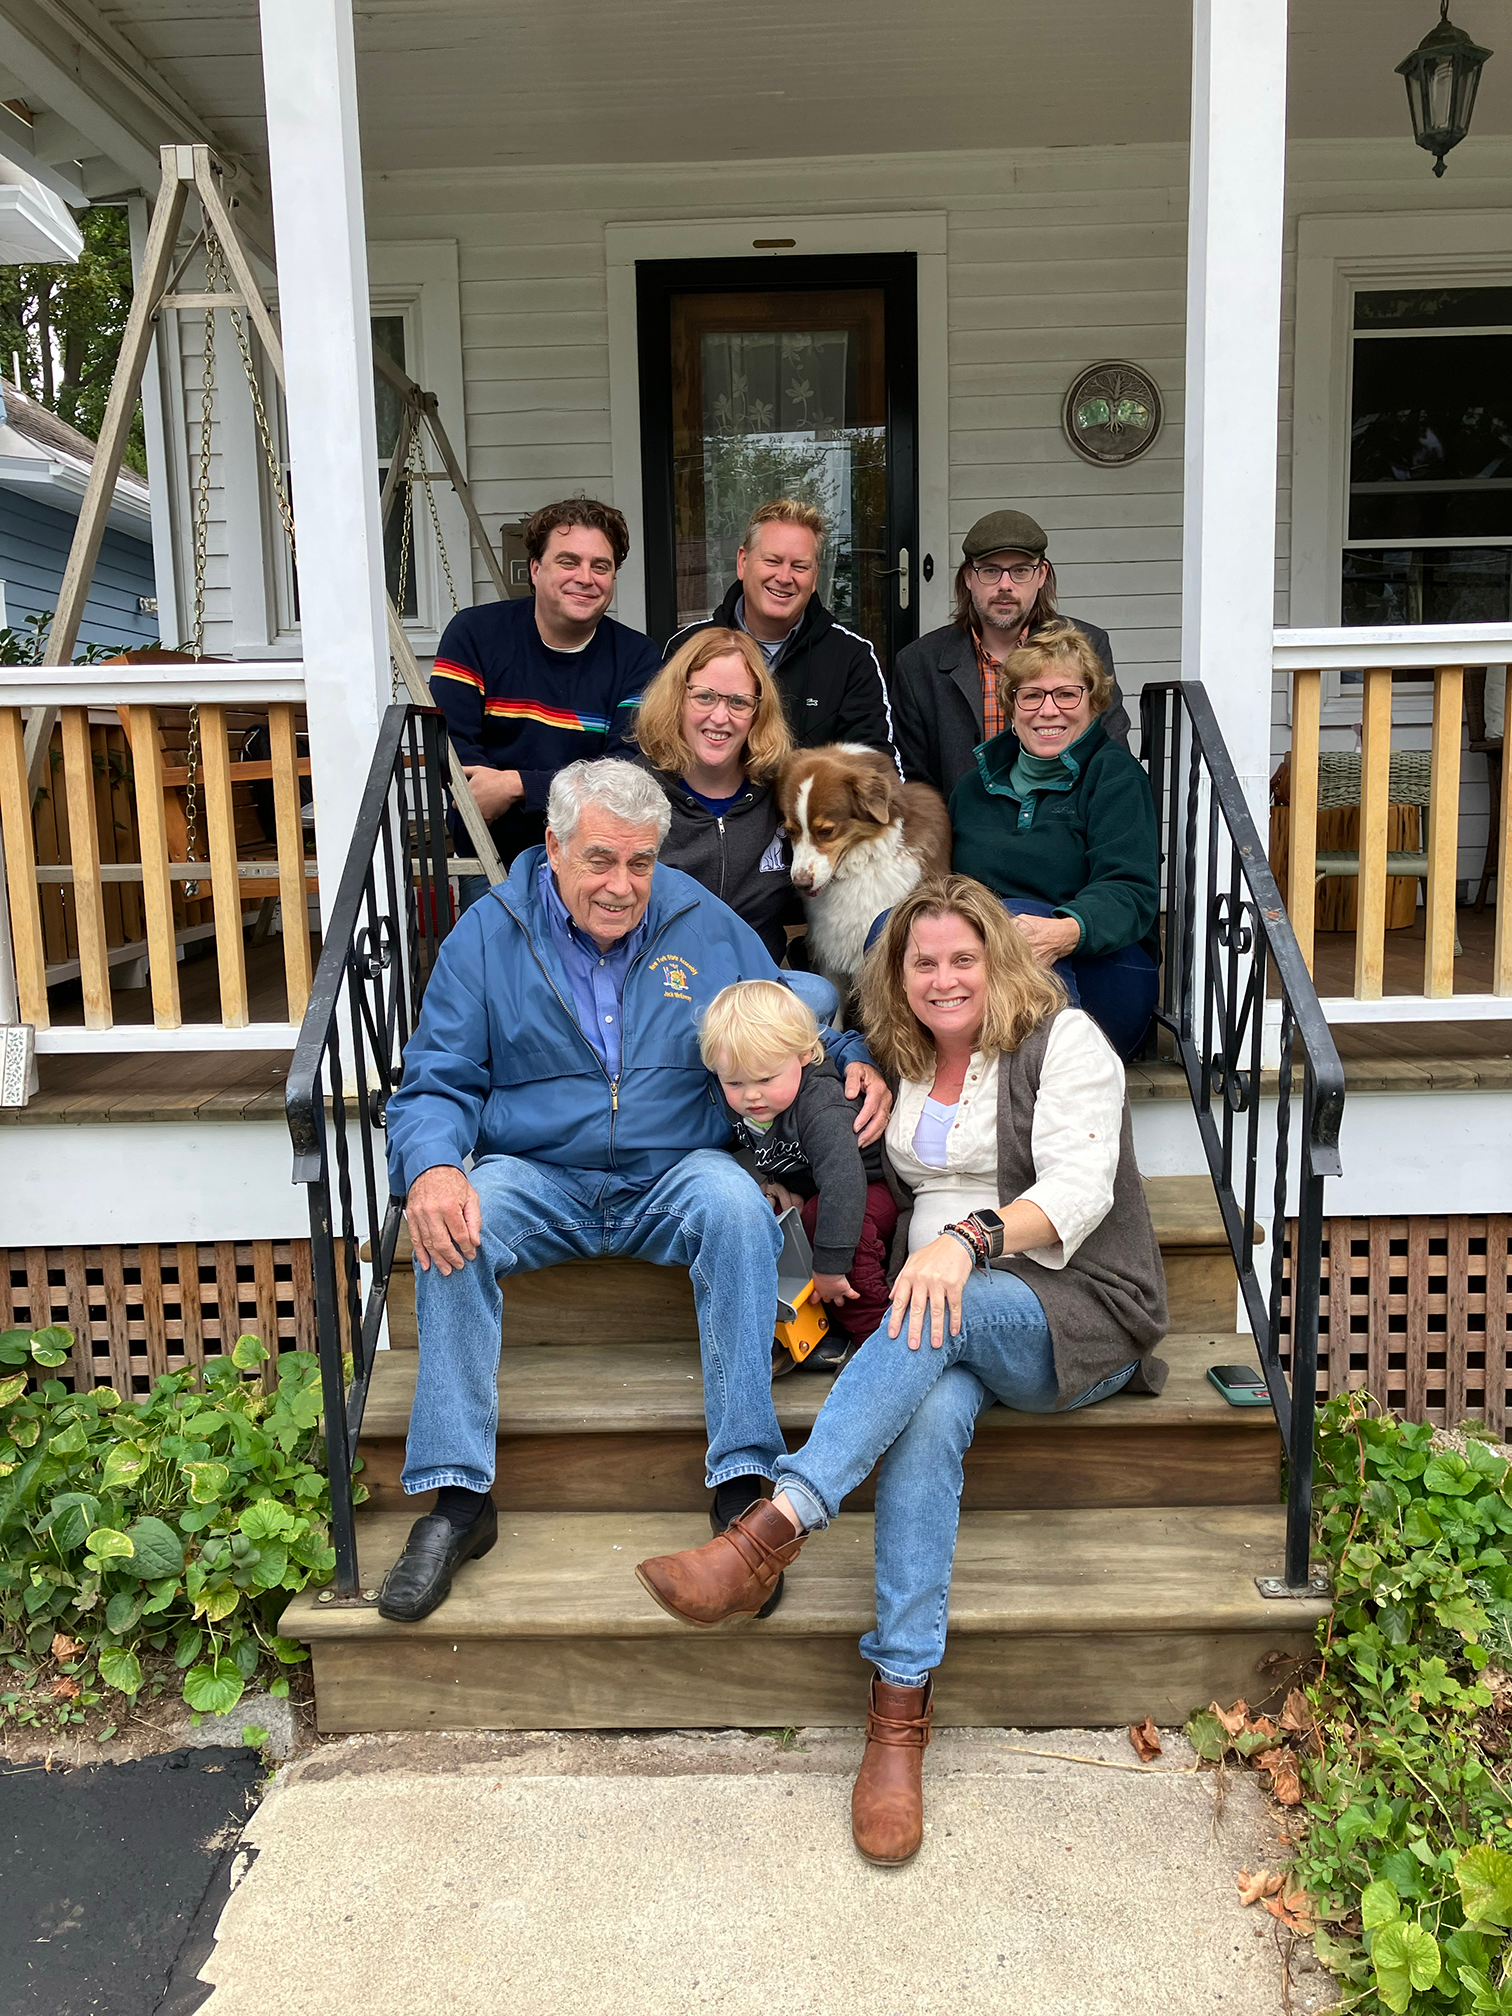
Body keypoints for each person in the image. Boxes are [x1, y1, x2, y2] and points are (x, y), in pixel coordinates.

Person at [635, 877, 1168, 1866]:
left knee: (941, 1304)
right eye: (922, 961)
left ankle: (775, 1524)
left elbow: (1082, 1193)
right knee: (923, 1417)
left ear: (998, 962)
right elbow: (802, 1063)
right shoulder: (901, 1061)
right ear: (898, 974)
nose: (943, 976)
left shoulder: (1067, 1045)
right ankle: (896, 1718)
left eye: (963, 957)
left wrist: (968, 1238)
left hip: (1075, 1314)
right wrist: (838, 1087)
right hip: (942, 1324)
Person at [377, 758, 892, 1626]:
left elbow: (777, 1015)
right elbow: (436, 1081)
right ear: (552, 847)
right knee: (453, 1221)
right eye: (600, 861)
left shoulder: (700, 919)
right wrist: (431, 1166)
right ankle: (459, 1501)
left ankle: (742, 1485)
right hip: (536, 1173)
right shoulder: (489, 932)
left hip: (670, 1169)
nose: (623, 886)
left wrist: (854, 1060)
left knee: (735, 1206)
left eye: (641, 863)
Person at [948, 620, 1159, 1061]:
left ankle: (1063, 1091)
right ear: (1012, 704)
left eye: (1066, 694)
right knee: (892, 926)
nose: (1049, 710)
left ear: (1094, 702)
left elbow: (1130, 891)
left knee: (1018, 918)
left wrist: (1064, 930)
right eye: (1032, 695)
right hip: (990, 965)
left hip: (1099, 967)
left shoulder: (1114, 777)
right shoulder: (971, 790)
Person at [429, 497, 660, 879]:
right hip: (490, 860)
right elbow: (450, 747)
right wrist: (499, 790)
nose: (585, 577)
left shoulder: (638, 658)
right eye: (568, 561)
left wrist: (515, 786)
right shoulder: (474, 635)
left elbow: (622, 775)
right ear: (535, 569)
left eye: (600, 566)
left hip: (593, 863)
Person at [701, 980, 898, 1375]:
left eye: (765, 1079)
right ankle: (805, 1332)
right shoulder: (745, 1102)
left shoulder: (821, 1105)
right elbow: (749, 1151)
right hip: (813, 1191)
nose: (751, 1096)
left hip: (870, 1187)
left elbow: (844, 1181)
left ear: (806, 1054)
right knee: (765, 1217)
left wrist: (829, 1268)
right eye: (735, 1082)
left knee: (826, 1221)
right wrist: (769, 1183)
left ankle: (878, 1336)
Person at [890, 509, 1130, 799]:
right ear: (968, 577)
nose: (1005, 585)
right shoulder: (918, 663)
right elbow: (914, 784)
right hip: (961, 835)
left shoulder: (1087, 646)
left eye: (1020, 570)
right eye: (990, 570)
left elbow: (1112, 751)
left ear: (1041, 574)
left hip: (1064, 829)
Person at [663, 499, 899, 770]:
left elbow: (876, 769)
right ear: (743, 562)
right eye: (772, 561)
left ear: (815, 576)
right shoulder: (687, 647)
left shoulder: (850, 659)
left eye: (799, 566)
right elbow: (660, 745)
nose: (784, 577)